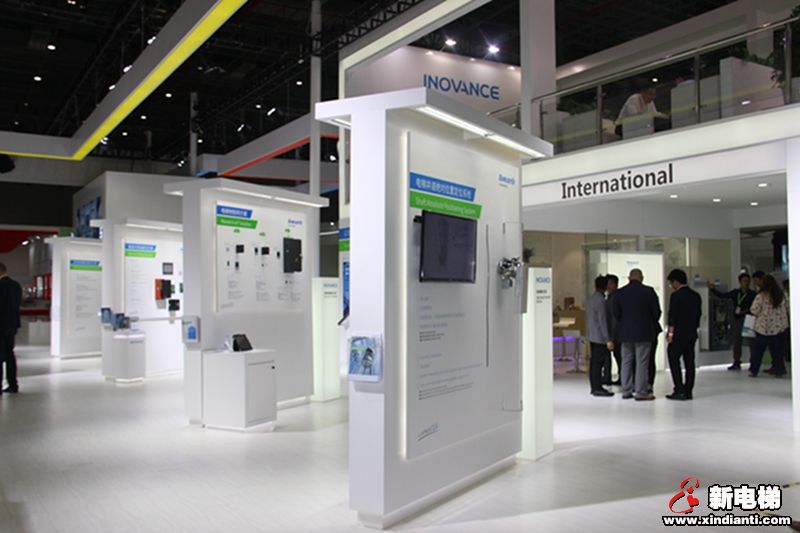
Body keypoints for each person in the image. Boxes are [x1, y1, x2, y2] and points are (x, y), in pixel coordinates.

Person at [613, 268, 662, 401]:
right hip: (644, 332)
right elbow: (656, 312)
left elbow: (616, 313)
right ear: (642, 278)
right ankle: (640, 391)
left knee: (626, 362)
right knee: (642, 362)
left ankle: (626, 390)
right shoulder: (649, 292)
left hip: (625, 333)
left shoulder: (620, 293)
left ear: (629, 278)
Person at [665, 269, 702, 401]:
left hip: (678, 334)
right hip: (691, 333)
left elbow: (672, 317)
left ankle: (679, 389)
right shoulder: (696, 296)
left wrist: (670, 333)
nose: (671, 285)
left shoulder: (676, 296)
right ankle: (688, 390)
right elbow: (698, 315)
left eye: (671, 283)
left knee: (673, 358)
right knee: (689, 362)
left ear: (676, 281)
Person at [708, 273, 756, 370]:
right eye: (744, 281)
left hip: (748, 319)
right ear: (740, 282)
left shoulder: (753, 294)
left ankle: (754, 363)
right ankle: (737, 362)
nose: (746, 283)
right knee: (737, 341)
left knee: (751, 342)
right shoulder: (736, 293)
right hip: (737, 319)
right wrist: (713, 289)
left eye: (748, 281)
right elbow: (723, 295)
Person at [748, 274, 788, 378]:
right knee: (777, 351)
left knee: (758, 351)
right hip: (777, 328)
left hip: (763, 328)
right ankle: (779, 370)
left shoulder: (761, 296)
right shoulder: (781, 295)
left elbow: (754, 310)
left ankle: (753, 371)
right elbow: (787, 307)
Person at [587, 276, 614, 397]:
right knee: (598, 363)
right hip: (600, 337)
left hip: (592, 335)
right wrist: (607, 338)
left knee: (594, 363)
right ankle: (597, 387)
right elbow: (603, 321)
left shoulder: (591, 299)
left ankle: (594, 386)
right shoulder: (601, 301)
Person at [0, 262, 23, 395]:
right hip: (11, 325)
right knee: (9, 355)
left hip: (1, 326)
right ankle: (13, 384)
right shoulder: (16, 285)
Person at [603, 274, 622, 386]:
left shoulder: (615, 298)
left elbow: (614, 318)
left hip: (617, 333)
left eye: (610, 284)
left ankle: (623, 378)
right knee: (617, 356)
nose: (608, 286)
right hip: (613, 333)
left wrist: (612, 336)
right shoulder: (609, 298)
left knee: (620, 356)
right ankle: (621, 377)